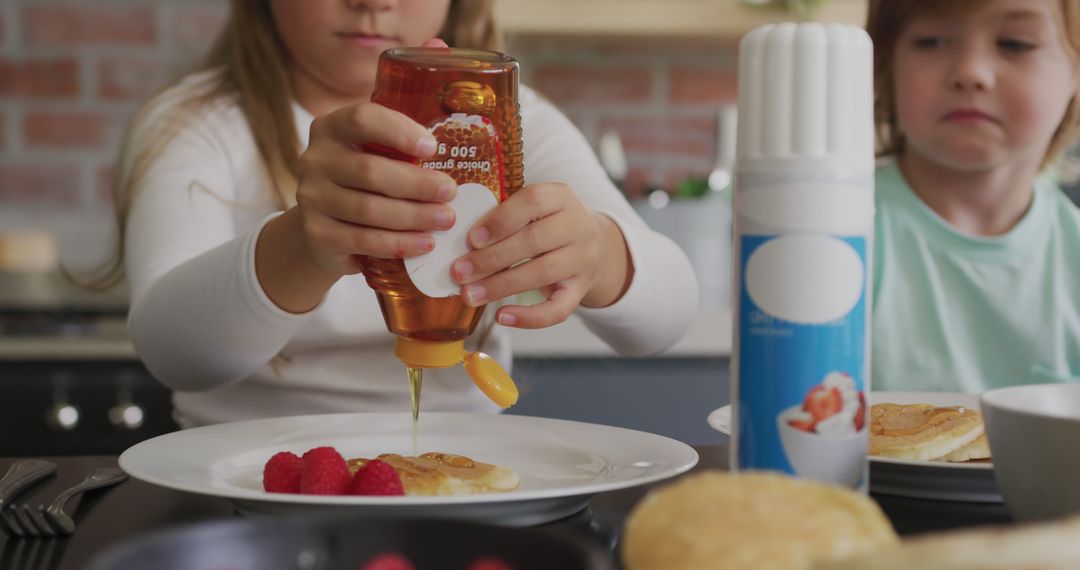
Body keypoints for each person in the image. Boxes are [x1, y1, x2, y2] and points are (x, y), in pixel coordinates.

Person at [101, 0, 698, 427]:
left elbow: (667, 316)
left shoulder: (512, 121)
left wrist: (596, 253)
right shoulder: (196, 124)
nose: (372, 3)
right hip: (242, 483)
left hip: (464, 478)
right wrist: (302, 246)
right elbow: (172, 351)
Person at [866, 0, 1080, 392]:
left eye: (1016, 44)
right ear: (886, 67)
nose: (970, 72)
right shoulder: (840, 231)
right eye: (931, 41)